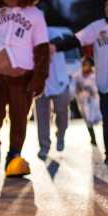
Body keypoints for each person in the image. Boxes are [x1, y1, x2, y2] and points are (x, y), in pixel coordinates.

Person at [50, 0, 108, 167]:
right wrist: (56, 46)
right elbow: (76, 39)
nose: (107, 8)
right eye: (106, 5)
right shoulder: (97, 27)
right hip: (104, 83)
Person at [35, 27, 70, 160]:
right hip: (41, 85)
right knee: (42, 117)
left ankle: (60, 134)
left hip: (60, 83)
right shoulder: (31, 37)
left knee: (62, 113)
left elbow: (60, 44)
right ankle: (44, 147)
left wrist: (51, 47)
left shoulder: (54, 34)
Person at [71, 56, 101, 146]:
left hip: (94, 100)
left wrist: (93, 90)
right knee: (87, 119)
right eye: (85, 64)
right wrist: (77, 89)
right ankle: (93, 137)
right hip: (83, 101)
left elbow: (99, 86)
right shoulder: (78, 75)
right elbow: (73, 87)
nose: (86, 66)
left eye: (88, 65)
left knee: (96, 118)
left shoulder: (96, 74)